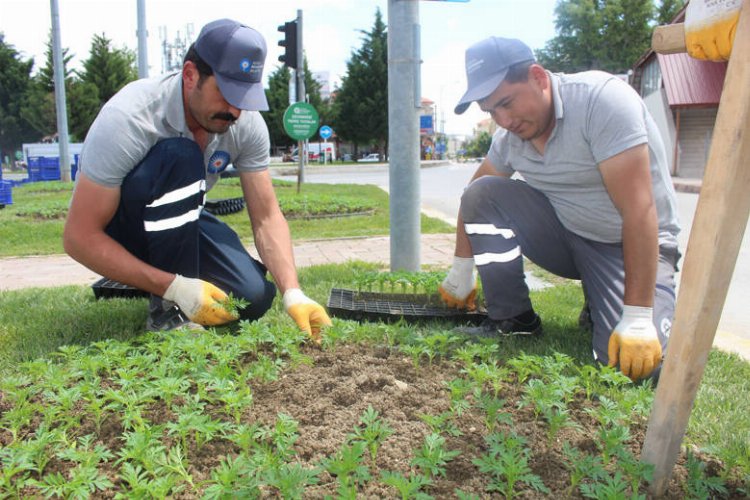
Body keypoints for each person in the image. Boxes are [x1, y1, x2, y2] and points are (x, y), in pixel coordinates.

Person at [63, 19, 331, 340]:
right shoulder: (131, 118)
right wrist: (173, 287)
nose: (234, 109)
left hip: (177, 218)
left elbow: (267, 217)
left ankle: (173, 283)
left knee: (252, 297)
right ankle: (168, 310)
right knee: (181, 155)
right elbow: (79, 236)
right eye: (226, 92)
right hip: (122, 227)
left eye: (244, 96)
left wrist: (293, 293)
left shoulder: (245, 123)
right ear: (191, 75)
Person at [438, 37, 681, 381]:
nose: (503, 120)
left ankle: (609, 299)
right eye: (491, 111)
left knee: (635, 369)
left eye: (506, 102)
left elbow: (639, 210)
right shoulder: (509, 139)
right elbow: (472, 197)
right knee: (483, 193)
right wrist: (461, 270)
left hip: (629, 244)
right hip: (568, 237)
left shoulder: (601, 102)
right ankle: (513, 317)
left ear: (537, 77)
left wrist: (639, 317)